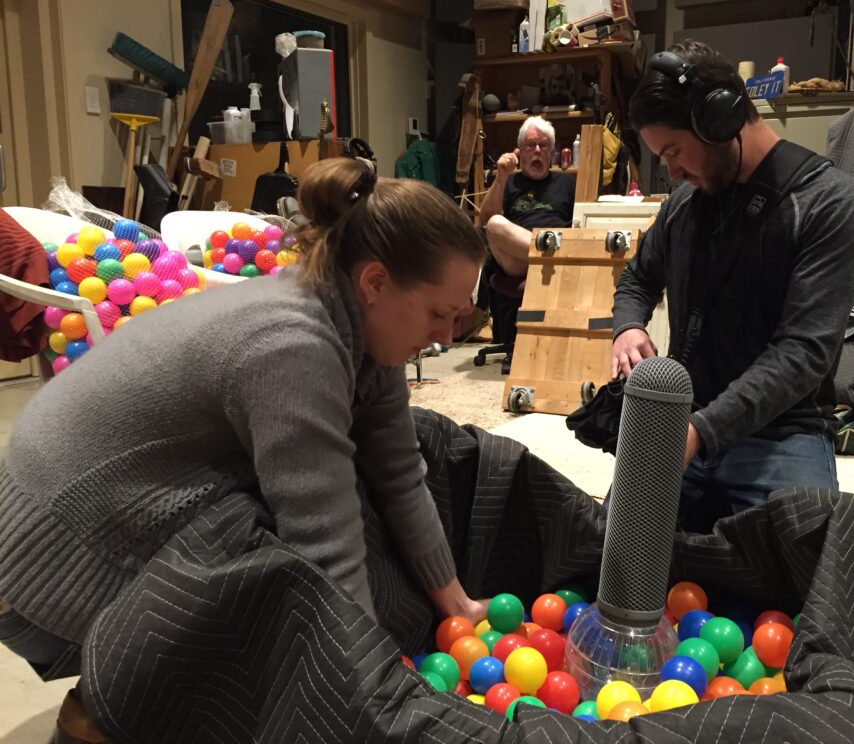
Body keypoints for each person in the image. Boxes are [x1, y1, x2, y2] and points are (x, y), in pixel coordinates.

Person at [0, 159, 487, 736]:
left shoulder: (363, 329)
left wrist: (458, 606)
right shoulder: (292, 345)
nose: (449, 336)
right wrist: (373, 688)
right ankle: (112, 707)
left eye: (459, 317)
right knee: (261, 559)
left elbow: (402, 475)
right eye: (439, 313)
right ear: (376, 283)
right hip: (47, 563)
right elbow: (324, 544)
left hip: (91, 517)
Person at [611, 40, 854, 532]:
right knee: (606, 556)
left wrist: (701, 431)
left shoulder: (833, 205)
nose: (670, 173)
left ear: (720, 120)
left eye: (672, 151)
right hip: (683, 423)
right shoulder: (684, 203)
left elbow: (801, 354)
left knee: (802, 573)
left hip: (780, 434)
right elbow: (637, 278)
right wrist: (627, 328)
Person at [479, 116, 576, 277]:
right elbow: (486, 220)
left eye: (544, 146)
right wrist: (501, 176)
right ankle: (550, 256)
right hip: (519, 262)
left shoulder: (567, 182)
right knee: (494, 224)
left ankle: (549, 256)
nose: (537, 150)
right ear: (520, 151)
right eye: (531, 145)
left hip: (559, 245)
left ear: (551, 153)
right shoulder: (508, 181)